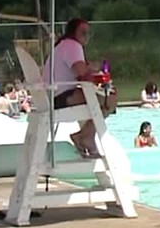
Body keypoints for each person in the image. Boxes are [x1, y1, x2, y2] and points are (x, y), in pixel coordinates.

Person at [43, 18, 118, 159]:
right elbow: (83, 75)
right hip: (61, 97)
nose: (86, 37)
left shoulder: (62, 46)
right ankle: (86, 137)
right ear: (73, 33)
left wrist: (89, 69)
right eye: (83, 33)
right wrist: (95, 72)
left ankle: (85, 136)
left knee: (103, 99)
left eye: (88, 33)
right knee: (110, 98)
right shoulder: (72, 46)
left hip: (51, 96)